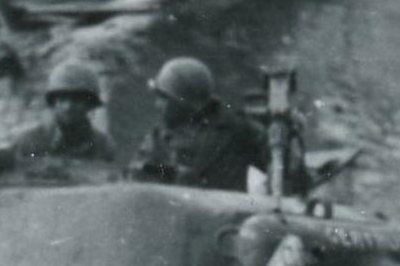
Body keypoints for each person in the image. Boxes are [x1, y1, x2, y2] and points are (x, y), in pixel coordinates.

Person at [134, 55, 262, 194]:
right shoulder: (160, 136)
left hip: (226, 212)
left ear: (185, 102)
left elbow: (278, 166)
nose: (157, 105)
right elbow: (143, 169)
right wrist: (173, 173)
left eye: (165, 98)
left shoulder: (237, 130)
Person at [27, 52, 112, 172]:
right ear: (53, 103)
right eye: (62, 99)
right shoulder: (30, 142)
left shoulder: (103, 145)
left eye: (77, 100)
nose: (68, 107)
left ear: (90, 104)